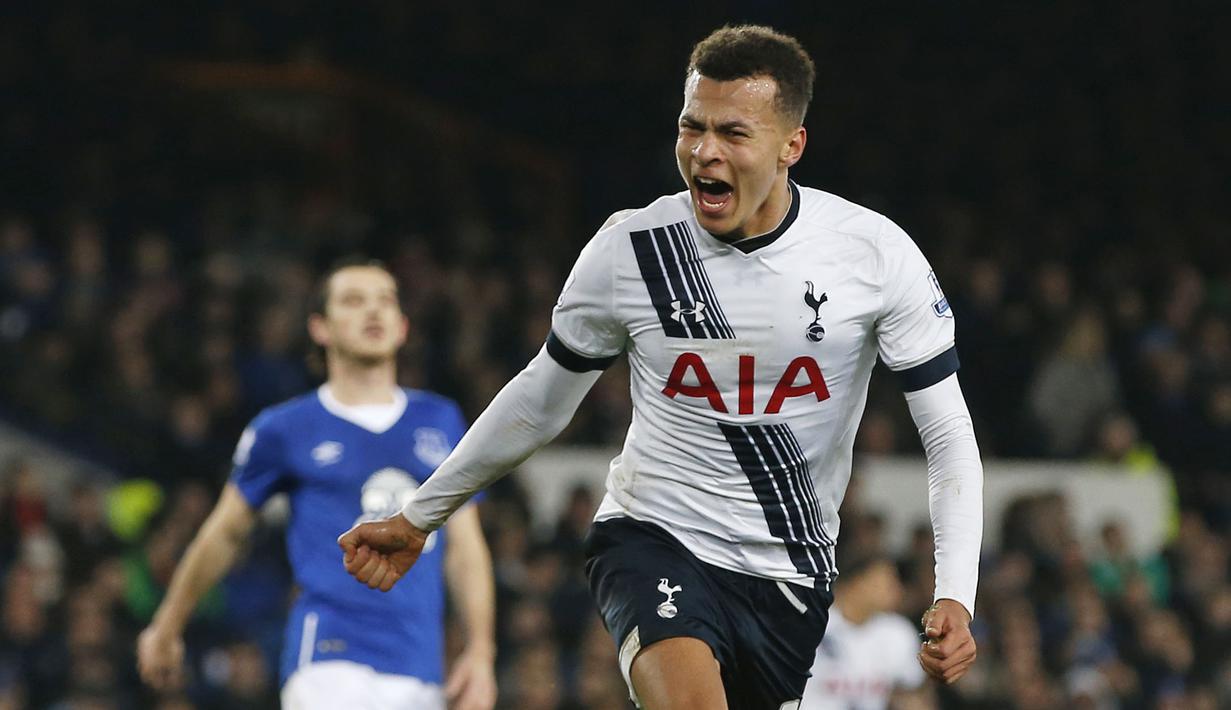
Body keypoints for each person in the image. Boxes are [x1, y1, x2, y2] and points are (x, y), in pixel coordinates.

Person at [340, 25, 983, 709]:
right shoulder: (633, 250)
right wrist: (418, 517)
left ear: (790, 145)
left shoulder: (872, 255)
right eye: (690, 127)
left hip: (788, 574)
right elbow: (539, 401)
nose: (704, 151)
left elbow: (946, 436)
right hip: (652, 537)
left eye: (733, 134)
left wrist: (954, 592)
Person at [137, 260, 497, 710]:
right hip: (327, 658)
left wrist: (480, 651)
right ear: (320, 327)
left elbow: (465, 547)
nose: (373, 312)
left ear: (403, 327)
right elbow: (225, 532)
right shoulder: (284, 428)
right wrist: (168, 625)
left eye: (385, 300)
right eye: (353, 300)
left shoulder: (441, 420)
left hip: (419, 666)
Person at [800, 551, 930, 709]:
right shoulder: (810, 624)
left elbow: (912, 695)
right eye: (886, 581)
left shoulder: (897, 632)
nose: (896, 589)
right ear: (856, 582)